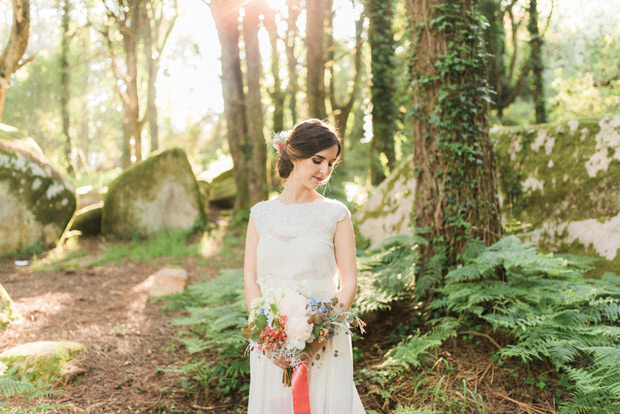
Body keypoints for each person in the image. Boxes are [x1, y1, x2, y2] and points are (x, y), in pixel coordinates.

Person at [244, 119, 366, 413]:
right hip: (273, 347)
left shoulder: (335, 214)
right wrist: (267, 338)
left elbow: (348, 283)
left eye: (331, 163)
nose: (324, 171)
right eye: (317, 160)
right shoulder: (260, 215)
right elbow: (251, 279)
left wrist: (316, 337)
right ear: (293, 155)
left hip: (324, 341)